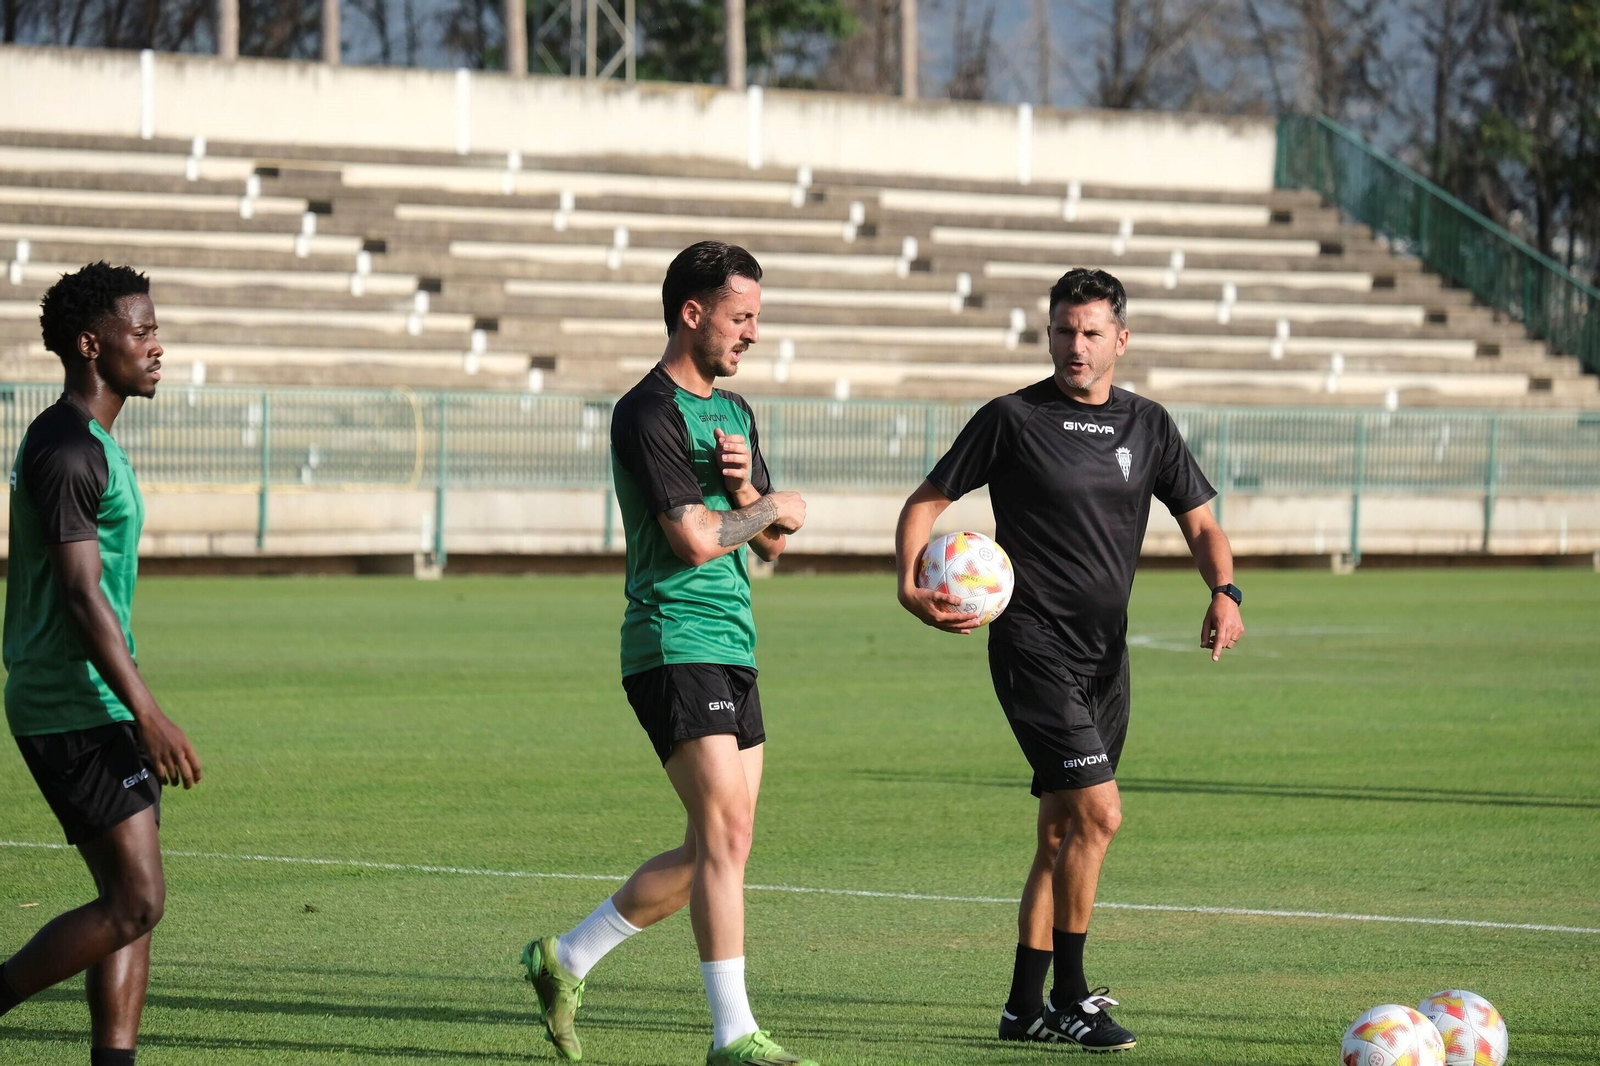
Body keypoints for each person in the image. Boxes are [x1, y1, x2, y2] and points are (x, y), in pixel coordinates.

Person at [894, 267, 1244, 1052]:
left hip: (1105, 659)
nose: (1074, 345)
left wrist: (1225, 591)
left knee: (1060, 833)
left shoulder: (1148, 425)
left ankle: (1023, 1009)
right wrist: (909, 584)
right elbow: (925, 503)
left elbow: (1201, 524)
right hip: (1032, 647)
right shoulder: (1012, 418)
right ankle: (1072, 997)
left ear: (1121, 339)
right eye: (1062, 330)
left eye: (1090, 332)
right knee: (1100, 813)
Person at [521, 241, 813, 1066]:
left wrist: (752, 494)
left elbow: (768, 548)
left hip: (734, 643)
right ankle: (733, 1034)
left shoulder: (737, 411)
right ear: (693, 313)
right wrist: (775, 506)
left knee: (718, 847)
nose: (752, 333)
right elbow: (692, 541)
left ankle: (566, 959)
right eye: (741, 317)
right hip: (670, 639)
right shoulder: (647, 411)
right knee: (722, 835)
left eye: (755, 317)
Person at [0, 262, 203, 1066]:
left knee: (129, 904)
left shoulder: (91, 443)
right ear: (92, 344)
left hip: (97, 697)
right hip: (69, 701)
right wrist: (148, 713)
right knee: (137, 901)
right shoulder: (66, 450)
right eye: (142, 330)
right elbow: (82, 598)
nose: (157, 346)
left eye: (156, 330)